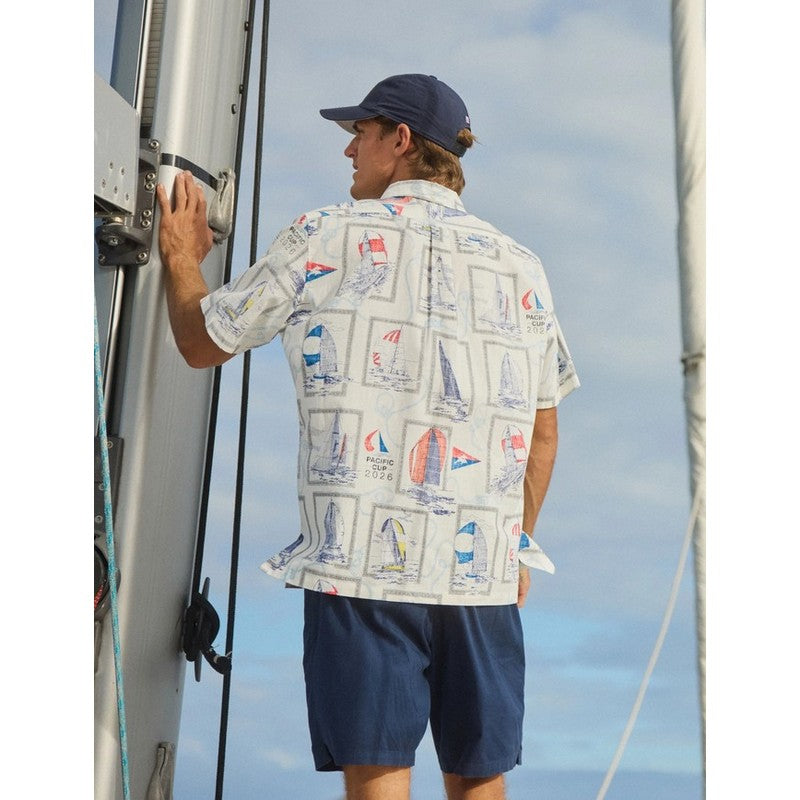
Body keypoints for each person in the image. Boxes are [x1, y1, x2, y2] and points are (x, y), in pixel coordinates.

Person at [157, 73, 579, 800]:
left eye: (361, 132)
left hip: (360, 559)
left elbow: (203, 342)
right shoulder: (522, 265)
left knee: (379, 772)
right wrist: (514, 544)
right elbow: (543, 431)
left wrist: (180, 258)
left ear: (402, 142)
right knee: (479, 779)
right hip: (478, 573)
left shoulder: (326, 233)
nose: (350, 148)